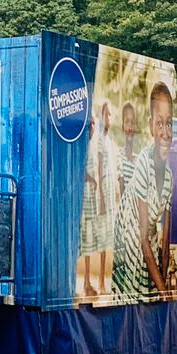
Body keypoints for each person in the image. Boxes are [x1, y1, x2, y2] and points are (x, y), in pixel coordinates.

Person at [110, 83, 176, 304]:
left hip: (147, 241)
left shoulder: (169, 178)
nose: (165, 132)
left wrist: (163, 282)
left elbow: (164, 243)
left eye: (169, 124)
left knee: (153, 296)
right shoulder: (142, 165)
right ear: (150, 127)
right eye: (159, 123)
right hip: (130, 238)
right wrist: (163, 293)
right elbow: (142, 241)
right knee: (134, 299)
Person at [77, 103, 114, 300]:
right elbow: (92, 171)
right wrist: (95, 184)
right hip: (89, 201)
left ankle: (96, 283)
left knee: (99, 240)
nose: (92, 126)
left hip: (96, 198)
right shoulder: (90, 144)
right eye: (89, 123)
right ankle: (87, 284)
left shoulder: (101, 142)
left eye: (93, 123)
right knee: (89, 241)